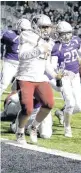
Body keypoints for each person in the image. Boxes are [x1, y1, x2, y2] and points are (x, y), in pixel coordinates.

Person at [15, 14, 60, 144]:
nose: (46, 30)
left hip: (40, 78)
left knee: (49, 103)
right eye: (43, 27)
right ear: (36, 27)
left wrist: (55, 75)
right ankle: (19, 131)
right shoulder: (28, 37)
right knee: (27, 109)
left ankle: (33, 127)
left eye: (48, 27)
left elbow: (46, 65)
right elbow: (22, 55)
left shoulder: (46, 42)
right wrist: (39, 49)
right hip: (25, 77)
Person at [0, 19, 32, 96]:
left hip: (23, 64)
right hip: (10, 63)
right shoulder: (10, 34)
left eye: (27, 30)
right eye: (24, 30)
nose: (25, 32)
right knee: (3, 83)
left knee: (23, 87)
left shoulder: (31, 37)